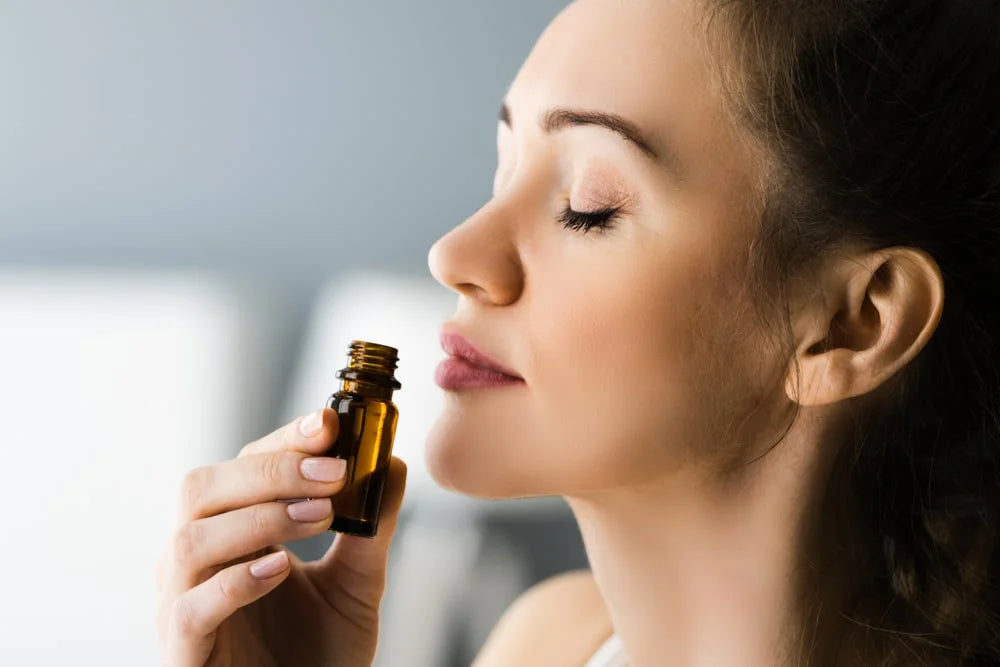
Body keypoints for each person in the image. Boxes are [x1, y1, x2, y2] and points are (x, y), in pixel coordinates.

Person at [156, 0, 1000, 663]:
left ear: (855, 322)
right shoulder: (546, 645)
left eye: (587, 207)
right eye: (503, 167)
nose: (453, 253)